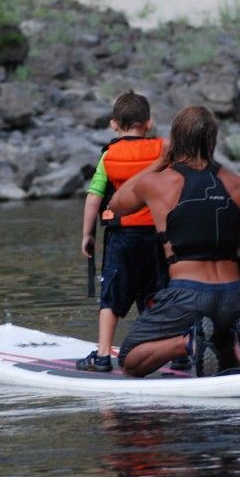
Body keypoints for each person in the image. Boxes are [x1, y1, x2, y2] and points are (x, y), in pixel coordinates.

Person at [107, 105, 240, 378]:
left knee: (130, 360)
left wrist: (158, 163)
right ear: (212, 140)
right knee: (224, 361)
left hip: (185, 297)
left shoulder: (158, 183)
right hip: (233, 298)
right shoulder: (239, 185)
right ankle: (237, 345)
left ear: (174, 141)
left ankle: (188, 342)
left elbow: (116, 206)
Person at [76, 91, 165, 372]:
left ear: (114, 124)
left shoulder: (109, 156)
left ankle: (103, 355)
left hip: (122, 237)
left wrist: (87, 235)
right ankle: (172, 350)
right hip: (157, 237)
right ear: (148, 123)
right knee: (157, 295)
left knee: (111, 297)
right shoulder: (161, 153)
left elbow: (93, 197)